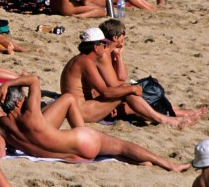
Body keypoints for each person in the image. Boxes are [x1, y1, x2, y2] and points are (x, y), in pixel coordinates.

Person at [0, 74, 190, 171]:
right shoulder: (31, 112)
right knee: (122, 146)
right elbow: (34, 80)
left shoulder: (1, 126)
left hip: (70, 157)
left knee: (116, 152)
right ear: (20, 100)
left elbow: (0, 154)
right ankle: (169, 165)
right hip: (81, 141)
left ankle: (141, 162)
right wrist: (8, 83)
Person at [60, 27, 195, 127]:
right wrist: (131, 89)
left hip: (80, 107)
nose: (105, 47)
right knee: (128, 91)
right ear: (96, 47)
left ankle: (168, 115)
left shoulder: (81, 60)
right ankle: (165, 119)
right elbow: (106, 92)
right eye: (104, 44)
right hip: (81, 112)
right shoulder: (86, 62)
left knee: (127, 90)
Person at [97, 18, 206, 122]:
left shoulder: (111, 53)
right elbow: (119, 81)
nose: (124, 38)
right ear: (116, 38)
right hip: (110, 98)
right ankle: (179, 116)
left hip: (117, 94)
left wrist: (118, 55)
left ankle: (183, 113)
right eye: (123, 34)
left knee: (150, 89)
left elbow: (121, 77)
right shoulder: (103, 56)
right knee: (144, 99)